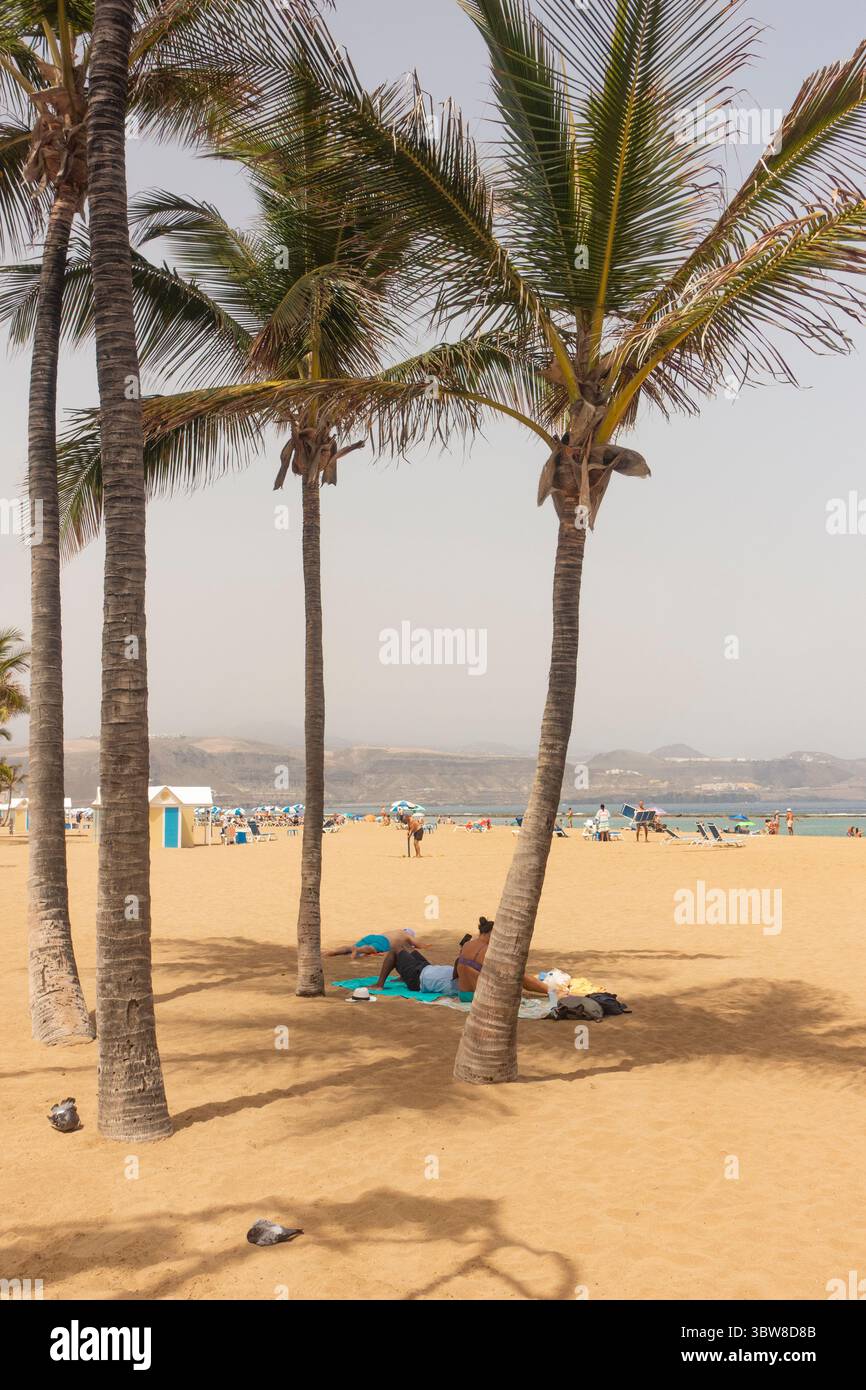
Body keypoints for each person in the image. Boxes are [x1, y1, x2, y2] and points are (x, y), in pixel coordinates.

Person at [454, 916, 548, 1001]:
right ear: (492, 934)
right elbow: (519, 977)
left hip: (463, 995)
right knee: (516, 975)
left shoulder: (466, 945)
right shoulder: (489, 951)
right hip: (480, 996)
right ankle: (549, 990)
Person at [325, 928, 422, 959]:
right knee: (371, 948)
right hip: (384, 942)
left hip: (374, 936)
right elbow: (418, 945)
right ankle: (358, 949)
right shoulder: (405, 936)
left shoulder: (394, 931)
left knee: (350, 948)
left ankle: (331, 952)